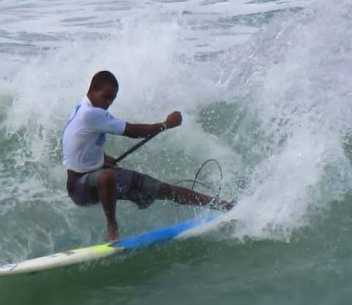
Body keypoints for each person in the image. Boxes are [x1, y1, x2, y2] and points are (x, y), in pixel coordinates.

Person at [62, 70, 234, 241]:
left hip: (95, 176)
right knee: (107, 176)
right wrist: (166, 125)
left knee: (164, 189)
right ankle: (112, 228)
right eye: (106, 97)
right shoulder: (89, 113)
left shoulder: (85, 107)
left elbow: (82, 144)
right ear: (93, 89)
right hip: (80, 187)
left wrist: (103, 159)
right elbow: (133, 131)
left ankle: (222, 205)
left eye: (112, 99)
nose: (109, 103)